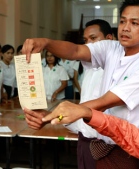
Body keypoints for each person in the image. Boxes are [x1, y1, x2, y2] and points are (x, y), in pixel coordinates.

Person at [22, 0, 139, 168]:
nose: (125, 27)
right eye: (122, 21)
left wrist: (51, 116)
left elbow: (104, 102)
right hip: (104, 146)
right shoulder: (112, 48)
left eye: (134, 23)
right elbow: (76, 50)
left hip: (127, 152)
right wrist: (46, 42)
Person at [67, 19, 114, 169]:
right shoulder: (88, 67)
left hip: (104, 143)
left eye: (93, 39)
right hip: (85, 137)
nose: (88, 44)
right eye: (85, 40)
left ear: (109, 39)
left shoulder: (116, 70)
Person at [42, 101, 139, 159]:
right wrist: (88, 113)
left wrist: (86, 112)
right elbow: (132, 137)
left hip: (115, 151)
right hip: (91, 140)